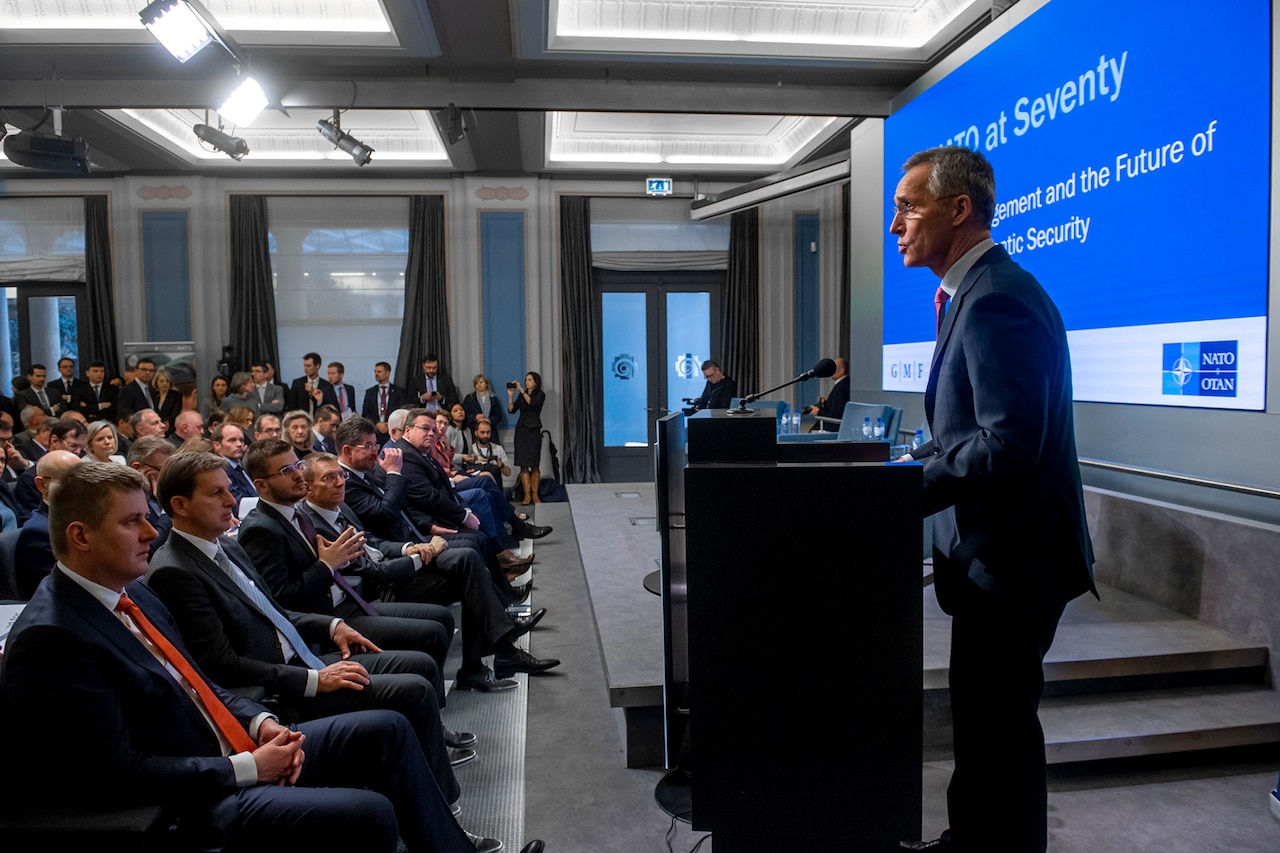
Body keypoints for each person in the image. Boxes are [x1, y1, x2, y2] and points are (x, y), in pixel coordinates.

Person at [0, 461, 522, 853]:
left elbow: (198, 683)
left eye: (146, 518)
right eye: (132, 522)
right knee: (369, 813)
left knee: (385, 728)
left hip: (232, 739)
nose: (149, 532)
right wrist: (249, 766)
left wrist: (262, 723)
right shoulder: (54, 639)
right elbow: (118, 775)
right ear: (80, 536)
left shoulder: (130, 595)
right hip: (196, 798)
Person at [892, 146, 1095, 853]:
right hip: (990, 561)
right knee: (981, 724)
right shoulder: (972, 293)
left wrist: (901, 490)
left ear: (959, 208)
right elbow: (964, 430)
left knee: (1000, 732)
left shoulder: (999, 297)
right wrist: (903, 463)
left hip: (1013, 565)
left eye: (908, 206)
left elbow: (1010, 441)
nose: (896, 226)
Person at [146, 451, 474, 804]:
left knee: (420, 669)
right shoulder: (174, 570)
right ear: (179, 504)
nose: (231, 501)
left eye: (229, 490)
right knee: (412, 691)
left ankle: (428, 772)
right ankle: (439, 799)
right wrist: (315, 679)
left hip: (304, 657)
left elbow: (272, 610)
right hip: (279, 690)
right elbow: (220, 664)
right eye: (216, 494)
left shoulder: (223, 545)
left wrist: (331, 626)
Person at [300, 453, 557, 688]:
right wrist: (422, 556)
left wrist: (410, 547)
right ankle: (499, 653)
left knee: (472, 569)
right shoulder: (315, 524)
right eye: (329, 478)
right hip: (378, 590)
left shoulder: (340, 506)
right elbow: (373, 568)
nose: (339, 482)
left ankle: (482, 663)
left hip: (397, 561)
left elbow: (373, 543)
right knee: (468, 560)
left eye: (340, 475)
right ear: (308, 488)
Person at [507, 371, 545, 505]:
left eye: (529, 380)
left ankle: (535, 495)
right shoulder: (521, 396)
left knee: (534, 464)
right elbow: (512, 410)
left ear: (535, 382)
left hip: (533, 430)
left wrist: (522, 390)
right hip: (522, 430)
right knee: (523, 465)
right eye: (526, 380)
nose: (526, 382)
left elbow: (532, 404)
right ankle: (527, 495)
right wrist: (511, 396)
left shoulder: (540, 394)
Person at [362, 361, 407, 444]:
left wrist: (389, 423)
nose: (376, 374)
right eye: (375, 371)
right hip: (375, 430)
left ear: (388, 373)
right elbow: (365, 413)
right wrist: (376, 424)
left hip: (393, 430)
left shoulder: (398, 392)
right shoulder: (370, 392)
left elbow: (401, 411)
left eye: (379, 372)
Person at [804, 356, 850, 431]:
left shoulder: (841, 387)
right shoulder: (844, 384)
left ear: (841, 371)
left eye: (834, 368)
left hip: (832, 429)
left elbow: (836, 414)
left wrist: (818, 411)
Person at [287, 352, 337, 416]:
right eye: (304, 365)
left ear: (317, 366)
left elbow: (328, 406)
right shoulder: (297, 383)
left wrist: (313, 392)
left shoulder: (326, 385)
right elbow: (291, 405)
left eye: (308, 366)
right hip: (301, 419)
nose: (305, 368)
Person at [151, 367, 183, 433]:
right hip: (154, 427)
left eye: (167, 381)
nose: (165, 383)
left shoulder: (176, 395)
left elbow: (175, 412)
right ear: (156, 382)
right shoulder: (152, 395)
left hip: (170, 427)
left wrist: (168, 422)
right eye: (161, 381)